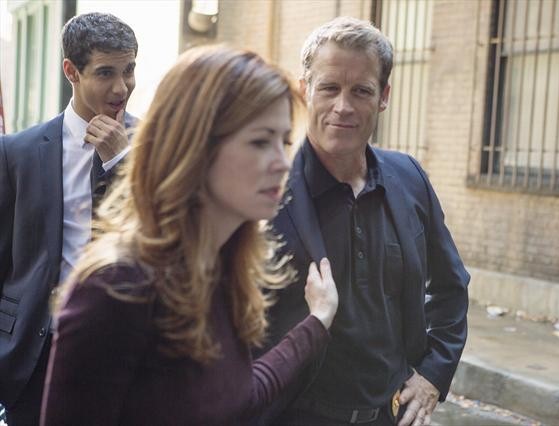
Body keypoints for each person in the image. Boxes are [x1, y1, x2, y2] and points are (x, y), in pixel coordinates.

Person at [40, 45, 339, 425]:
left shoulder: (220, 271)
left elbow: (240, 394)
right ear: (196, 146)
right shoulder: (116, 288)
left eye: (283, 141)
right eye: (260, 141)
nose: (283, 163)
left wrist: (318, 321)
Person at [257, 17, 470, 426]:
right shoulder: (268, 186)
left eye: (361, 91)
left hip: (389, 417)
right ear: (305, 90)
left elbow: (451, 286)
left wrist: (432, 375)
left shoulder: (409, 177)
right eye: (330, 88)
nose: (344, 106)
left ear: (384, 96)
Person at [0, 12, 138, 425]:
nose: (122, 87)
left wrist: (120, 161)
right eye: (106, 72)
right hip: (34, 357)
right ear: (71, 71)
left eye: (129, 70)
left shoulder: (155, 146)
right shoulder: (17, 153)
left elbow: (160, 239)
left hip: (124, 355)